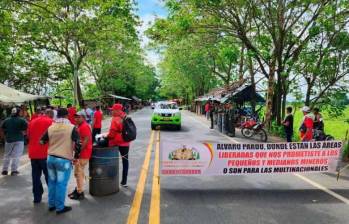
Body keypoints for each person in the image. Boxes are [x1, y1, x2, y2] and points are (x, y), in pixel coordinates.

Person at [40, 108, 80, 214]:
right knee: (61, 184)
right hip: (63, 160)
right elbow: (78, 144)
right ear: (67, 116)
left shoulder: (51, 127)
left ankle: (51, 205)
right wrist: (76, 156)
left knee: (52, 182)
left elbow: (41, 141)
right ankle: (60, 207)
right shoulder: (72, 128)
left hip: (50, 159)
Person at [27, 109, 54, 203]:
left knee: (35, 176)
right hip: (45, 153)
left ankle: (37, 198)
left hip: (33, 154)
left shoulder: (32, 122)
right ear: (50, 115)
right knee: (49, 177)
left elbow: (28, 136)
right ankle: (52, 198)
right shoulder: (51, 122)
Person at [68, 111, 92, 200]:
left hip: (83, 154)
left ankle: (80, 192)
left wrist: (76, 155)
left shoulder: (84, 126)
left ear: (84, 118)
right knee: (79, 173)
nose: (76, 119)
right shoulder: (81, 126)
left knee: (78, 173)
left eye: (79, 117)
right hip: (81, 153)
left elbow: (85, 141)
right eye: (75, 117)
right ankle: (78, 189)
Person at [107, 103, 131, 187]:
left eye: (112, 110)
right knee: (125, 161)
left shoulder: (115, 119)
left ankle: (110, 180)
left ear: (117, 110)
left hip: (115, 142)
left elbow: (111, 134)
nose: (111, 112)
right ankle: (124, 181)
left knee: (111, 160)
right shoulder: (125, 116)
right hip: (125, 142)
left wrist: (106, 136)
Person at [1, 108, 28, 176]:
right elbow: (26, 129)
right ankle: (14, 170)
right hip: (19, 140)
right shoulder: (22, 120)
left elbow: (1, 129)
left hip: (8, 140)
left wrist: (3, 137)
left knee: (7, 155)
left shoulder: (6, 120)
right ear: (18, 113)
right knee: (16, 155)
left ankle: (4, 170)